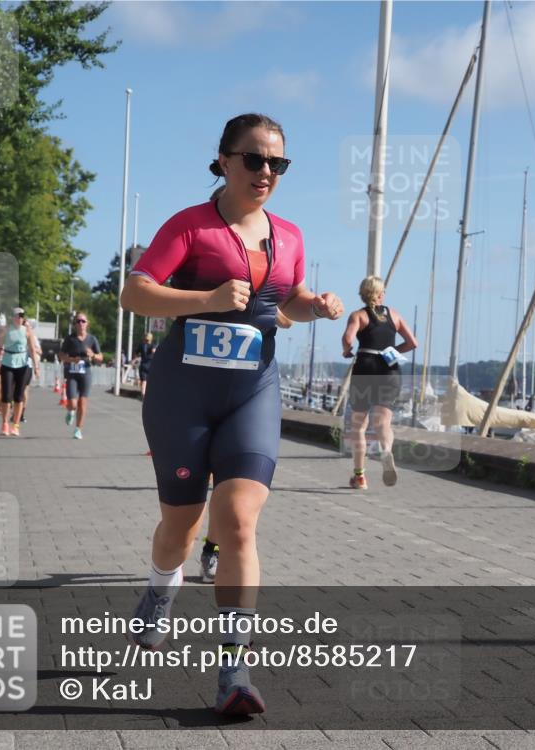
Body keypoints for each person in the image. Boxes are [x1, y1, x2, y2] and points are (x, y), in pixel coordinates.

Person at [119, 113, 343, 715]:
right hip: (182, 395)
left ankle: (235, 670)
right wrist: (207, 300)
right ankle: (161, 591)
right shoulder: (189, 226)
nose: (266, 172)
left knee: (238, 519)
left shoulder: (290, 235)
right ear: (222, 161)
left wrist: (315, 307)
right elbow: (134, 293)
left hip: (252, 390)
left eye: (278, 163)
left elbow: (284, 297)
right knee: (181, 529)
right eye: (254, 159)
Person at [342, 276, 417, 490]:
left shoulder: (358, 315)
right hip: (389, 369)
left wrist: (346, 351)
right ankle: (386, 451)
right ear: (380, 293)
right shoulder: (394, 315)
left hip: (365, 367)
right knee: (383, 422)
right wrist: (392, 352)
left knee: (359, 425)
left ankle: (360, 477)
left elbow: (348, 339)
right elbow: (413, 342)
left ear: (363, 293)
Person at [0, 308, 40, 436]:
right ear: (12, 317)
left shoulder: (27, 330)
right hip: (8, 363)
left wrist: (36, 366)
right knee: (6, 396)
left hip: (23, 364)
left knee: (19, 396)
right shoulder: (6, 330)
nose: (19, 318)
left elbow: (32, 349)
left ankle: (16, 425)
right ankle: (4, 423)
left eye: (22, 316)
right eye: (17, 315)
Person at [60, 312, 102, 439]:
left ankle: (78, 429)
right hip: (72, 373)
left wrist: (93, 355)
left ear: (87, 324)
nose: (81, 323)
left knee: (82, 402)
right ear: (74, 324)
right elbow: (61, 355)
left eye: (83, 321)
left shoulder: (92, 339)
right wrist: (72, 360)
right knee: (73, 403)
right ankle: (70, 411)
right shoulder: (70, 339)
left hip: (86, 372)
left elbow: (100, 358)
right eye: (78, 321)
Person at [137, 332, 157, 399]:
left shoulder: (141, 345)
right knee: (147, 381)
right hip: (150, 365)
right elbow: (154, 351)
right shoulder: (152, 345)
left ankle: (143, 394)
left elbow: (137, 353)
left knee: (143, 380)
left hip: (143, 365)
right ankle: (145, 394)